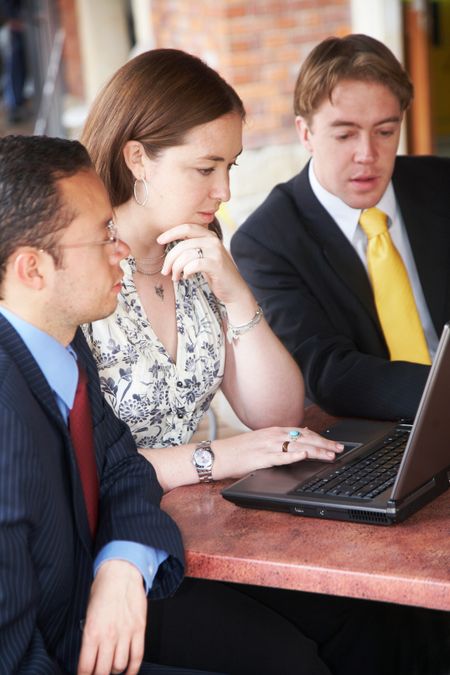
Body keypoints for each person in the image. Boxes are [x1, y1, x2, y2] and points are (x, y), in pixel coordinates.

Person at [79, 48, 430, 675]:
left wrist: (237, 294)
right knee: (291, 659)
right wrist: (220, 456)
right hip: (106, 546)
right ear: (138, 158)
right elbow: (73, 462)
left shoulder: (195, 251)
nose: (225, 191)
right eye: (206, 168)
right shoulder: (82, 272)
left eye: (230, 166)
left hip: (189, 526)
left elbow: (276, 412)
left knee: (375, 617)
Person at [0, 133, 226, 675]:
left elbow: (124, 467)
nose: (121, 248)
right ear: (33, 269)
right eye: (103, 235)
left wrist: (123, 563)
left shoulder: (62, 340)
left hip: (91, 627)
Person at [231, 33, 450, 422]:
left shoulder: (441, 184)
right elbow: (329, 373)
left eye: (385, 131)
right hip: (373, 432)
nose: (368, 155)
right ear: (305, 133)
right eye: (345, 134)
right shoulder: (265, 241)